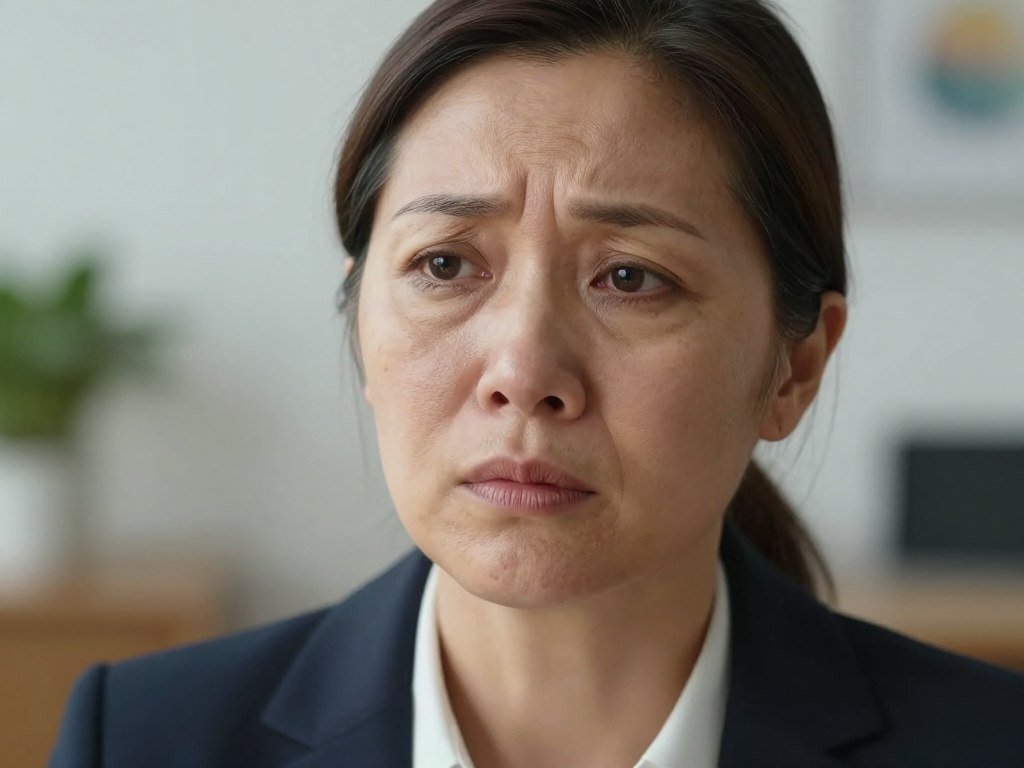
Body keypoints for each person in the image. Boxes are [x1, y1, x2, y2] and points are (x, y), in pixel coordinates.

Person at [50, 1, 1024, 766]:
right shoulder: (142, 741)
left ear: (794, 366)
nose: (522, 374)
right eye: (444, 266)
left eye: (630, 277)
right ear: (358, 327)